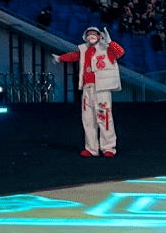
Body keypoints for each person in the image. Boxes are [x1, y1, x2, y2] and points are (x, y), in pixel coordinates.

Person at [53, 27, 125, 157]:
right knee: (88, 119)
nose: (92, 35)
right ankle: (91, 148)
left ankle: (108, 148)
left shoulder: (106, 49)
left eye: (94, 33)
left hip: (102, 88)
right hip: (87, 88)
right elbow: (73, 56)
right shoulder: (83, 50)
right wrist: (60, 58)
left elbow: (120, 52)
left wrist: (110, 42)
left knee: (105, 118)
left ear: (99, 36)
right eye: (89, 33)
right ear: (85, 36)